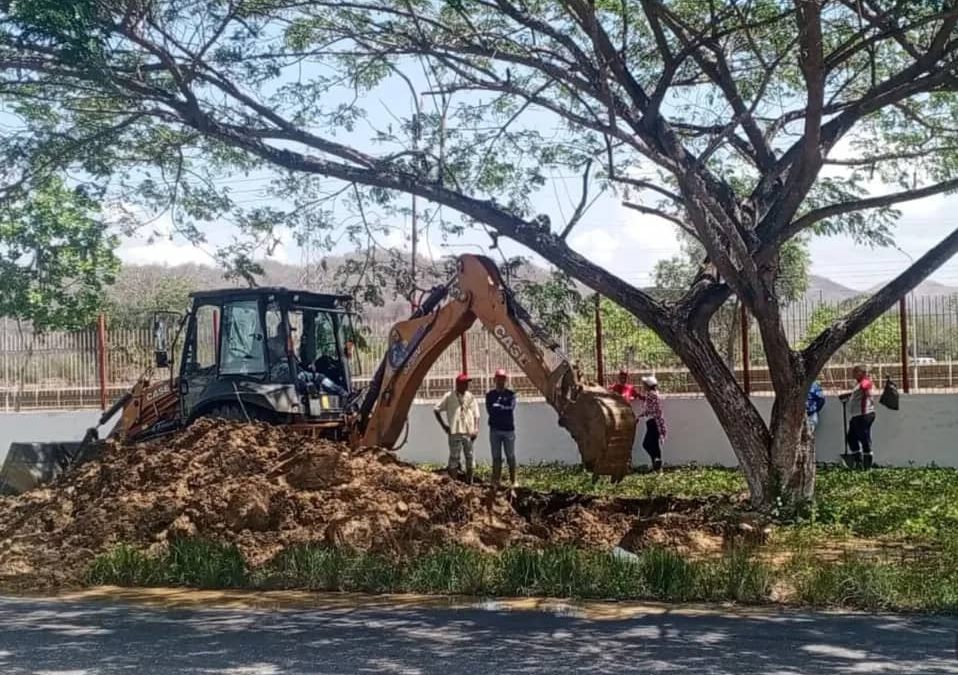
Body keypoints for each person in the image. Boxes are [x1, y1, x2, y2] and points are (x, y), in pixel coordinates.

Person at [434, 373, 481, 483]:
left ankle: (470, 482)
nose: (467, 385)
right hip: (455, 432)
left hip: (468, 432)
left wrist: (476, 429)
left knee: (470, 457)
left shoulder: (470, 397)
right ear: (458, 384)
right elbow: (436, 409)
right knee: (454, 457)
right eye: (464, 383)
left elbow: (476, 414)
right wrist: (444, 426)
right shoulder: (449, 396)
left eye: (467, 383)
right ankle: (454, 482)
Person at [485, 368, 518, 490]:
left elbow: (510, 409)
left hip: (508, 430)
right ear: (495, 380)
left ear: (506, 380)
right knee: (496, 457)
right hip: (495, 430)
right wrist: (502, 408)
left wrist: (499, 407)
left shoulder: (511, 395)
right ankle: (496, 480)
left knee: (510, 455)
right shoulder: (490, 395)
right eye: (499, 379)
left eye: (503, 379)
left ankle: (513, 480)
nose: (501, 381)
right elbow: (490, 411)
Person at [840, 366, 876, 469]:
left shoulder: (866, 382)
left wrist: (867, 381)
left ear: (862, 373)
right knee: (851, 438)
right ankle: (858, 461)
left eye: (856, 372)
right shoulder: (858, 384)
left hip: (864, 414)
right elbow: (859, 393)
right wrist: (849, 395)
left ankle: (867, 465)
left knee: (864, 439)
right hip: (856, 415)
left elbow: (866, 388)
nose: (853, 374)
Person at [634, 375, 667, 471]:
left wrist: (639, 416)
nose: (643, 386)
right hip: (656, 421)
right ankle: (657, 466)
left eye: (644, 384)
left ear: (648, 386)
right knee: (655, 445)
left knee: (646, 444)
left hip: (652, 421)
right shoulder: (654, 394)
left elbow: (649, 409)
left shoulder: (650, 395)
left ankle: (656, 461)